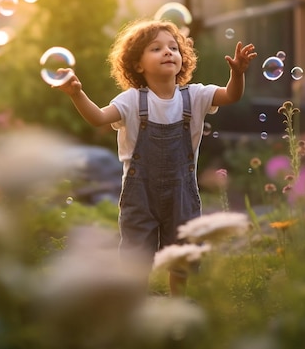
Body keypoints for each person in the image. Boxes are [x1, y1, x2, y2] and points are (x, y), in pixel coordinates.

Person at [54, 18, 257, 296]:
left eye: (174, 47)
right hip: (141, 198)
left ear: (182, 58)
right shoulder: (131, 100)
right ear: (138, 64)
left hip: (181, 195)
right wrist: (77, 94)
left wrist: (238, 74)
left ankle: (179, 308)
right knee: (136, 261)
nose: (167, 52)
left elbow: (231, 96)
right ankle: (134, 312)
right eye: (156, 48)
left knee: (184, 258)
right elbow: (98, 117)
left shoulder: (195, 96)